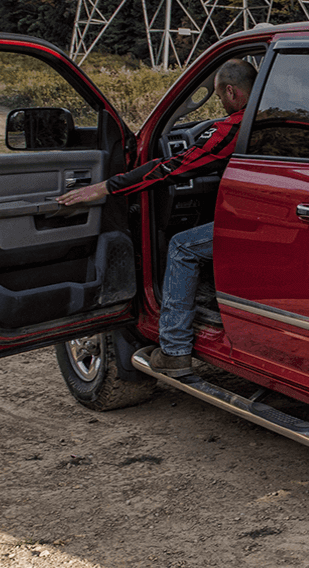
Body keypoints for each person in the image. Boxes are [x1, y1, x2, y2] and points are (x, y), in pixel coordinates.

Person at [56, 59, 255, 377]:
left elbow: (172, 167)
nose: (222, 104)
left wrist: (106, 187)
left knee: (181, 246)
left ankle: (175, 350)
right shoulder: (278, 117)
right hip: (285, 217)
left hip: (259, 223)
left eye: (219, 98)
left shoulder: (233, 127)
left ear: (231, 91)